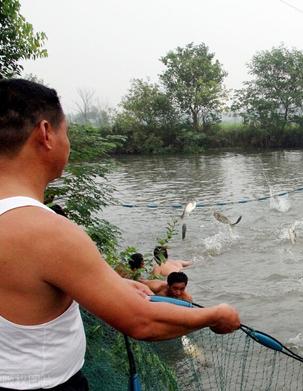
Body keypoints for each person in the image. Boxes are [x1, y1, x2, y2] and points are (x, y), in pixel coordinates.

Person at [0, 79, 240, 390]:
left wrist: (111, 282)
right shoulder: (45, 231)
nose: (67, 143)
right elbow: (142, 322)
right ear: (46, 134)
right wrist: (215, 315)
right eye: (67, 132)